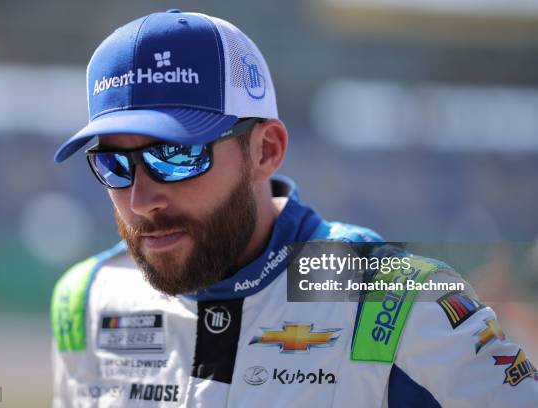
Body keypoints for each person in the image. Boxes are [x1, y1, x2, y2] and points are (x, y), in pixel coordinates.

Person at [51, 9, 538, 407]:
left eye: (177, 156)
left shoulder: (397, 301)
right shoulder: (86, 300)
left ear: (265, 150)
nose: (140, 199)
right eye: (113, 164)